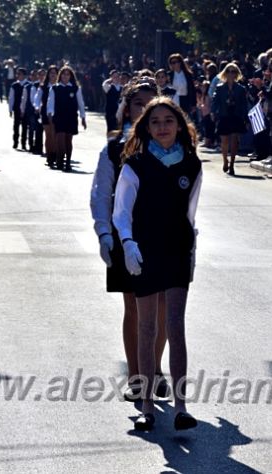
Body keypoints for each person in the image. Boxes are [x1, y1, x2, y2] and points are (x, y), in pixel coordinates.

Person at [113, 97, 202, 431]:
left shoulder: (192, 164)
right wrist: (127, 243)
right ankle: (147, 406)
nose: (162, 127)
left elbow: (191, 211)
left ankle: (181, 407)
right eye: (155, 122)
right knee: (147, 328)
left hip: (178, 249)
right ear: (146, 128)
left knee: (175, 327)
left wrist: (192, 247)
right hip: (144, 250)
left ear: (179, 125)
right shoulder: (135, 163)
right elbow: (121, 212)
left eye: (168, 120)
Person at [91, 78, 170, 402]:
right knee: (134, 307)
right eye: (139, 104)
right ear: (127, 110)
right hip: (127, 235)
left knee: (163, 305)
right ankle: (137, 376)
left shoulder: (172, 146)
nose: (145, 110)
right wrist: (104, 233)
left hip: (164, 235)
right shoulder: (114, 148)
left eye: (151, 104)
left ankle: (155, 369)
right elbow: (100, 193)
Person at [47, 65, 87, 172]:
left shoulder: (75, 88)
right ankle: (60, 159)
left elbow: (81, 103)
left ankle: (68, 161)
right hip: (59, 117)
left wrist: (83, 117)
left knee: (68, 140)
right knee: (60, 140)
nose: (65, 76)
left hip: (71, 117)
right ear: (60, 76)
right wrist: (50, 113)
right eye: (63, 74)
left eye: (67, 74)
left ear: (71, 76)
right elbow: (50, 102)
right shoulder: (55, 88)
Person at [212, 63, 247, 176]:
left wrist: (245, 118)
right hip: (224, 115)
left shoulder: (241, 89)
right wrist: (213, 112)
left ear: (237, 74)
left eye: (233, 72)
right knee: (224, 140)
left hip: (236, 116)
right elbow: (215, 101)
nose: (231, 74)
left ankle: (232, 163)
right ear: (225, 73)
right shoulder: (220, 88)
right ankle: (225, 160)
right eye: (229, 71)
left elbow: (243, 104)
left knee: (234, 141)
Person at [35, 65, 58, 168]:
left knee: (56, 135)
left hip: (58, 113)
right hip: (45, 112)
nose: (53, 75)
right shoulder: (43, 86)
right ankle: (50, 156)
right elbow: (37, 98)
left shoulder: (60, 86)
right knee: (49, 135)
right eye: (51, 73)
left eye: (55, 73)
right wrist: (36, 107)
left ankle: (57, 155)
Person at [9, 67, 29, 150]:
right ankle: (15, 142)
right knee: (16, 126)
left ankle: (24, 143)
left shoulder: (28, 85)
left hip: (25, 109)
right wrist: (10, 109)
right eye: (17, 74)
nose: (18, 75)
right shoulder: (14, 85)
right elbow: (11, 98)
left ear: (24, 75)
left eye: (20, 74)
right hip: (17, 108)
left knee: (25, 126)